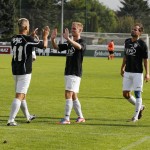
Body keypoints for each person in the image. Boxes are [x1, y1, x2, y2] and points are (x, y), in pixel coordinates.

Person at [7, 18, 50, 126]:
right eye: (28, 25)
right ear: (26, 27)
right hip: (25, 71)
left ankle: (28, 116)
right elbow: (44, 46)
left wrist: (30, 36)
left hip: (15, 70)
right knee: (20, 95)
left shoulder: (13, 38)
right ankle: (11, 120)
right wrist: (45, 36)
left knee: (22, 95)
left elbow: (24, 41)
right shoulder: (28, 39)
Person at [51, 22, 86, 124]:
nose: (72, 30)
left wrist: (68, 39)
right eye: (72, 28)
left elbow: (79, 47)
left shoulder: (82, 42)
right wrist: (52, 39)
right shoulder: (69, 43)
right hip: (68, 72)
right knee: (73, 95)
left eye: (74, 29)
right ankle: (81, 117)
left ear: (80, 30)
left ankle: (66, 118)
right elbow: (56, 47)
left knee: (68, 94)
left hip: (75, 72)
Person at [120, 23, 149, 122]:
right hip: (127, 72)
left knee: (137, 94)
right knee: (125, 94)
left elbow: (145, 60)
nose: (133, 30)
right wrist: (122, 67)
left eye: (135, 29)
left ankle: (135, 117)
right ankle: (140, 107)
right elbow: (125, 56)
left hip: (137, 73)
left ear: (140, 32)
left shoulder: (142, 44)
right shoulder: (127, 41)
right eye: (133, 29)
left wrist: (147, 73)